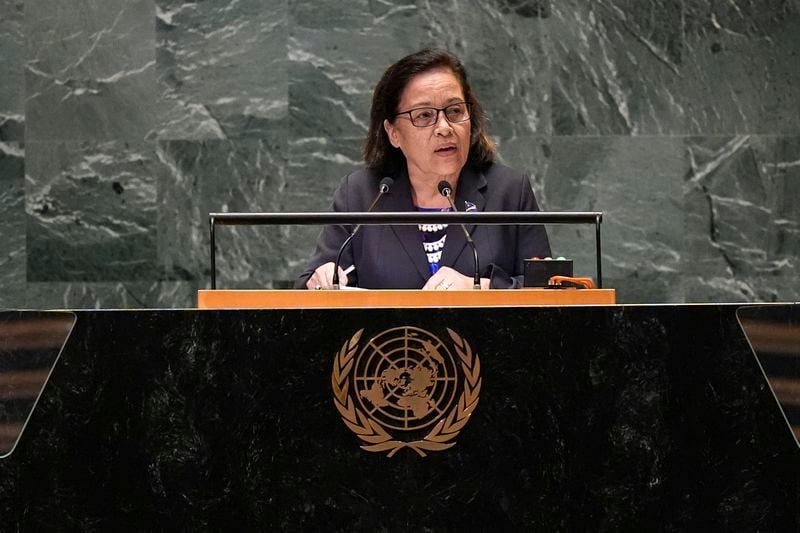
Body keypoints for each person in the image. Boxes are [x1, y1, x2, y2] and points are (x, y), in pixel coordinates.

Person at [296, 48, 551, 290]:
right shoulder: (361, 195)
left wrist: (485, 287)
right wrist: (322, 279)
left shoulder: (509, 192)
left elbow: (552, 287)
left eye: (454, 111)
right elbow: (309, 285)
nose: (444, 127)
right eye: (424, 116)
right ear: (394, 133)